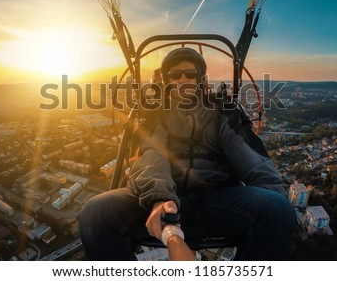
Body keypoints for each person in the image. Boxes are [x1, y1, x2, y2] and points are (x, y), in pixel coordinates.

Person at [79, 47, 295, 261]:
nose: (183, 79)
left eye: (191, 74)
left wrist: (278, 203)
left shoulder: (221, 111)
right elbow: (150, 156)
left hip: (215, 199)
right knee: (96, 212)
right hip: (157, 203)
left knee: (277, 210)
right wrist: (160, 198)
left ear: (201, 78)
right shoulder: (155, 113)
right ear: (166, 80)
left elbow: (251, 158)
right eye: (176, 75)